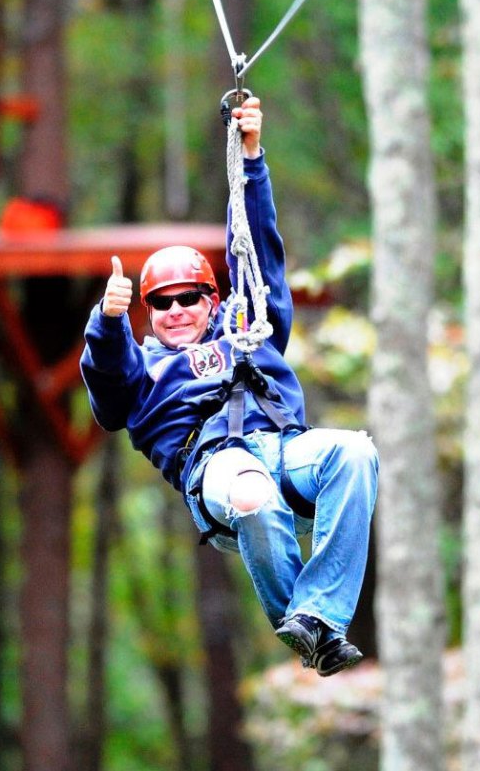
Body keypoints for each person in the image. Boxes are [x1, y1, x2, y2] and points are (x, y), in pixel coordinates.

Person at [80, 97, 378, 677]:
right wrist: (108, 323)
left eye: (187, 297)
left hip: (286, 449)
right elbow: (110, 399)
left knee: (355, 451)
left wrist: (250, 154)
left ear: (210, 299)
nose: (174, 310)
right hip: (216, 469)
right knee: (249, 492)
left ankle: (319, 618)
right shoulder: (141, 368)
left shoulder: (249, 329)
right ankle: (303, 624)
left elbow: (259, 249)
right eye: (160, 304)